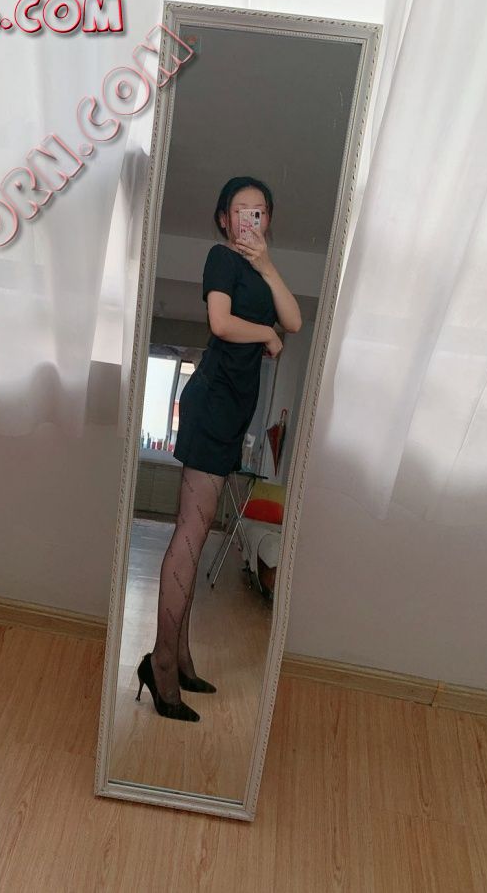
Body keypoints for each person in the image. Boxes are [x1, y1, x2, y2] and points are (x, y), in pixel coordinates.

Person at [135, 177, 302, 721]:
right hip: (212, 405)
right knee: (190, 534)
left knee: (198, 532)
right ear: (224, 219)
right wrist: (268, 336)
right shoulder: (220, 259)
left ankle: (180, 657)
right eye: (240, 210)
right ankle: (162, 663)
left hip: (231, 412)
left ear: (267, 220)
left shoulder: (260, 271)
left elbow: (294, 320)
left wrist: (270, 268)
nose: (250, 218)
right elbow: (220, 323)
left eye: (260, 211)